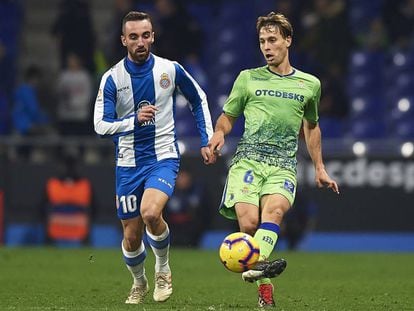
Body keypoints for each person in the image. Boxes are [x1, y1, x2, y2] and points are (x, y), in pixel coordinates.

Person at [208, 12, 339, 308]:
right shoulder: (248, 78)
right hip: (248, 162)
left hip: (283, 165)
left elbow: (312, 125)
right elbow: (228, 117)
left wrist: (319, 167)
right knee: (249, 223)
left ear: (287, 40)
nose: (266, 47)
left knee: (276, 211)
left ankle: (254, 274)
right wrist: (219, 134)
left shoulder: (310, 85)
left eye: (272, 40)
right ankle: (262, 280)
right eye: (262, 41)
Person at [93, 11, 214, 305]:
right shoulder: (112, 79)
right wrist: (133, 121)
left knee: (150, 213)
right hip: (127, 164)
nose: (140, 42)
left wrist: (207, 139)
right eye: (133, 36)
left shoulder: (169, 70)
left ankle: (162, 269)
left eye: (145, 35)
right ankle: (139, 282)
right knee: (132, 237)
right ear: (124, 40)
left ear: (153, 37)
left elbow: (198, 99)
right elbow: (100, 125)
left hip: (163, 157)